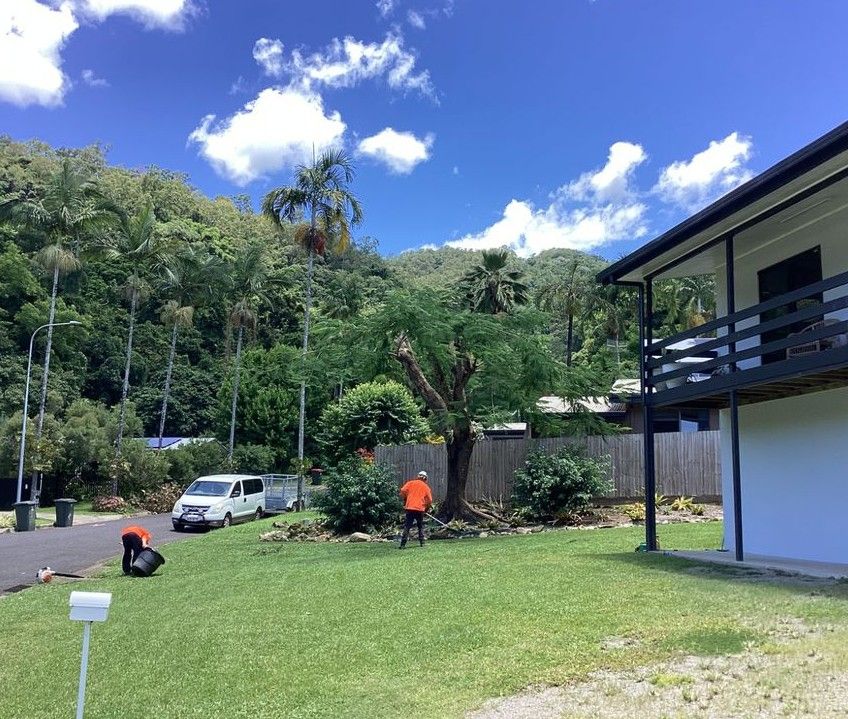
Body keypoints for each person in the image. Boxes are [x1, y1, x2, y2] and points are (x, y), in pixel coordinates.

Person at [399, 470, 433, 549]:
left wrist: (406, 498)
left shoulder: (410, 483)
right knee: (420, 526)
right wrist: (426, 507)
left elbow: (402, 491)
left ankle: (402, 544)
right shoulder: (426, 487)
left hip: (410, 507)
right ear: (425, 479)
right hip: (420, 509)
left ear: (418, 476)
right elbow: (430, 500)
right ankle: (422, 543)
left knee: (407, 526)